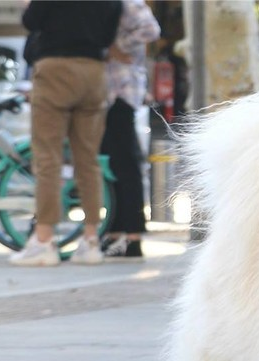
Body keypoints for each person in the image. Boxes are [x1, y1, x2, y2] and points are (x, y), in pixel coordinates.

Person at [11, 0, 123, 267]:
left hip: (55, 69)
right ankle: (91, 240)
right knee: (88, 159)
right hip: (94, 73)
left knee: (48, 157)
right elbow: (109, 36)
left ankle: (44, 240)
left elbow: (30, 21)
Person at [100, 0, 160, 260]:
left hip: (121, 91)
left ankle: (133, 236)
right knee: (112, 164)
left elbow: (151, 29)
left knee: (126, 164)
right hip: (110, 91)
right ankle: (115, 232)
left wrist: (116, 47)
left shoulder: (128, 3)